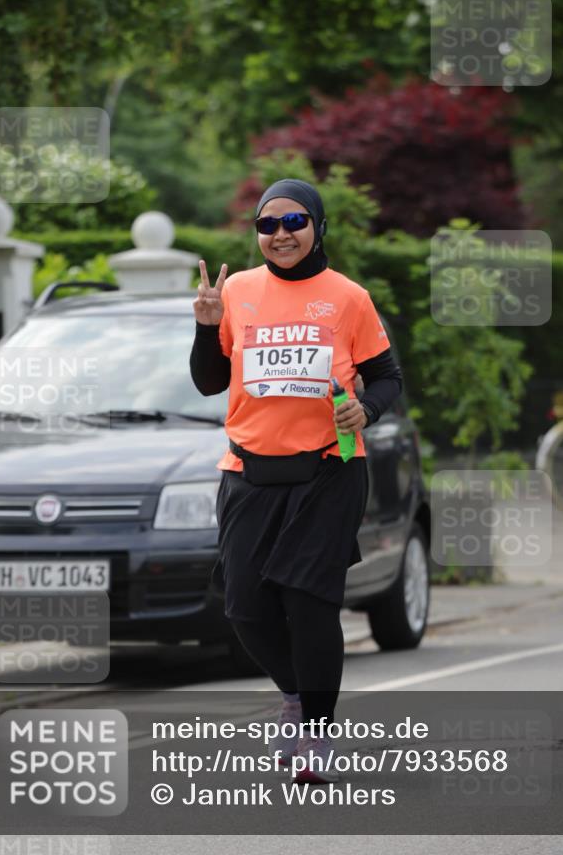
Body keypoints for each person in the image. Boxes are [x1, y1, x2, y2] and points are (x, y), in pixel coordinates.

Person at [189, 177, 403, 783]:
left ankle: (317, 732)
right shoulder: (237, 292)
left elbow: (387, 377)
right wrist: (206, 326)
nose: (280, 234)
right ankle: (295, 696)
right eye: (267, 225)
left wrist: (367, 410)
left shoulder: (348, 298)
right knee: (245, 609)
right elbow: (209, 382)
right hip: (248, 472)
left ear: (317, 226)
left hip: (329, 471)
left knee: (310, 606)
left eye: (294, 222)